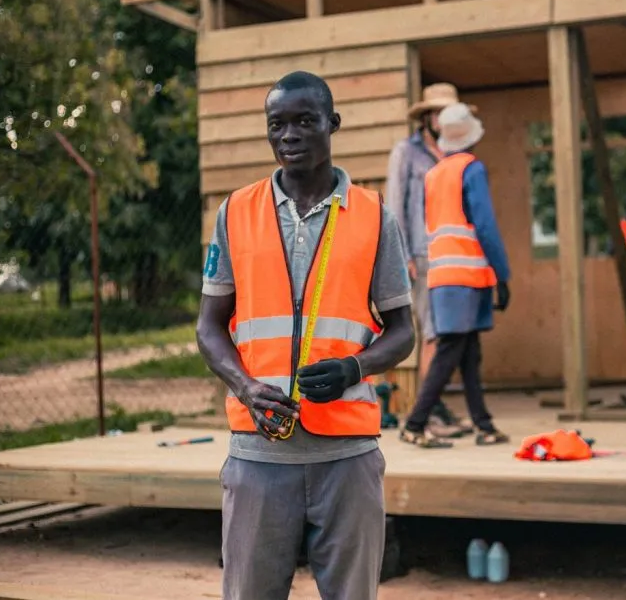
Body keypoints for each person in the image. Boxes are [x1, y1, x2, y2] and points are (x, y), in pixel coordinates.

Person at [196, 70, 415, 600]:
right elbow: (209, 327)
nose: (289, 135)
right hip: (258, 456)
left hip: (347, 458)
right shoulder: (236, 211)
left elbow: (404, 331)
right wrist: (246, 389)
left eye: (304, 121)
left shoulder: (372, 215)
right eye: (277, 125)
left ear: (332, 124)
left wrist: (354, 367)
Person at [399, 102, 511, 448]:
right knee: (450, 350)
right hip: (468, 274)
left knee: (467, 350)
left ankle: (484, 424)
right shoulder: (472, 170)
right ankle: (415, 423)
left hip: (442, 273)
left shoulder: (435, 173)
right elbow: (486, 226)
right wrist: (502, 274)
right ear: (473, 138)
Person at [385, 82, 475, 438]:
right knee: (434, 334)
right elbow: (394, 205)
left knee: (451, 334)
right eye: (438, 112)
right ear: (427, 116)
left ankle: (434, 406)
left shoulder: (456, 153)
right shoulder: (406, 152)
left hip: (453, 257)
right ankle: (427, 414)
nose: (443, 118)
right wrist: (402, 254)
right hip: (421, 255)